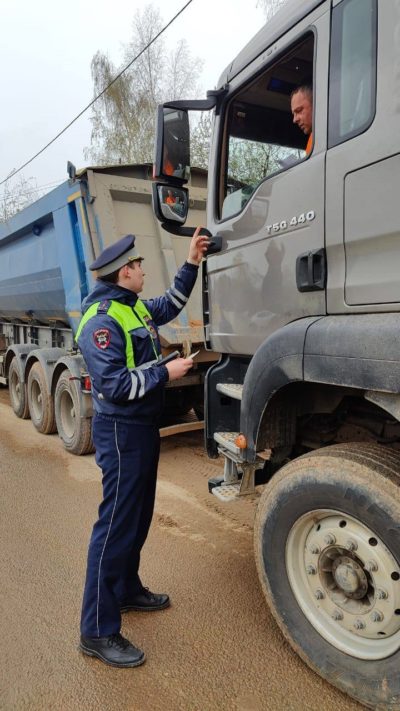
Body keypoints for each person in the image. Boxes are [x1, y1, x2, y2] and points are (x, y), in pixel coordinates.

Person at [76, 228, 209, 668]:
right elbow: (113, 385)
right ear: (123, 272)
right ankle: (96, 631)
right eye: (138, 267)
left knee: (137, 516)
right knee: (115, 524)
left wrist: (192, 260)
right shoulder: (101, 320)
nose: (143, 271)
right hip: (121, 431)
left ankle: (127, 588)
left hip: (142, 427)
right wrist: (165, 375)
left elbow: (170, 303)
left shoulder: (131, 308)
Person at [290, 85, 313, 156]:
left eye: (299, 111)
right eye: (293, 114)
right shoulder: (313, 139)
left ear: (316, 104)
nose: (294, 120)